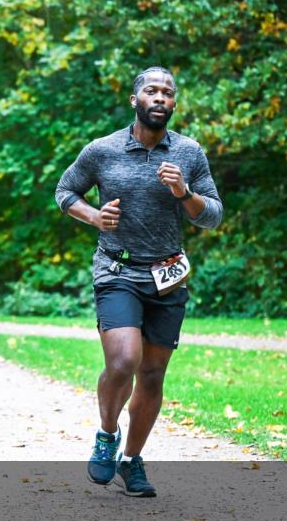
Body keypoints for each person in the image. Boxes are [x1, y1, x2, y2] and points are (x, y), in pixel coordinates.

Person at [54, 66, 223, 497]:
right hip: (117, 268)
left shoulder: (188, 153)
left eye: (167, 92)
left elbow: (214, 216)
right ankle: (107, 434)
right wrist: (93, 216)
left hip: (167, 274)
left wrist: (185, 193)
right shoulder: (102, 150)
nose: (160, 97)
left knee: (151, 374)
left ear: (174, 103)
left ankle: (132, 461)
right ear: (135, 100)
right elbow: (65, 191)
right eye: (151, 90)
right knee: (124, 360)